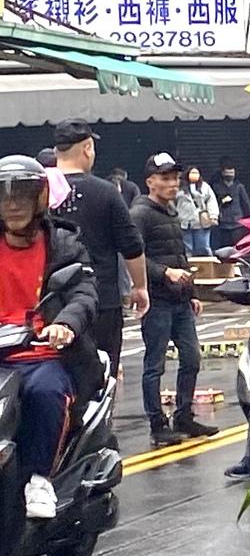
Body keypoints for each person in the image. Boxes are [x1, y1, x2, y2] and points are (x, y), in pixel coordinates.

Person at [0, 156, 101, 519]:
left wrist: (66, 324)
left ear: (39, 199)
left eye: (21, 195)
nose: (13, 204)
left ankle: (39, 478)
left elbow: (84, 292)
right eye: (5, 196)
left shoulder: (64, 244)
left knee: (45, 393)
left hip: (45, 354)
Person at [51, 119, 149, 378]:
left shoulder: (38, 192)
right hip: (101, 301)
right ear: (87, 148)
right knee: (102, 376)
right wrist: (140, 287)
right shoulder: (106, 192)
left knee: (54, 375)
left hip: (49, 305)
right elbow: (131, 246)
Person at [132, 153, 217, 445]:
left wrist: (192, 292)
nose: (173, 184)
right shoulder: (140, 214)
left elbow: (180, 255)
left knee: (191, 358)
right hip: (156, 301)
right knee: (154, 364)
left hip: (180, 301)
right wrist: (164, 272)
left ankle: (184, 416)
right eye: (166, 178)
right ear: (150, 182)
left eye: (175, 178)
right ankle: (157, 424)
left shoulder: (171, 211)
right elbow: (133, 257)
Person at [211, 158, 250, 252]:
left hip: (237, 224)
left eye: (232, 173)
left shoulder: (239, 187)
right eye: (228, 173)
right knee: (224, 251)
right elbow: (212, 204)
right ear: (222, 173)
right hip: (223, 225)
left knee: (238, 250)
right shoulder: (216, 187)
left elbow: (246, 204)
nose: (230, 175)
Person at [176, 166, 219, 257]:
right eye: (192, 173)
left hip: (201, 222)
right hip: (184, 222)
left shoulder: (205, 186)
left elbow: (211, 201)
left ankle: (205, 264)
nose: (194, 175)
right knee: (187, 248)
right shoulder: (179, 187)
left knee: (203, 247)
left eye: (196, 173)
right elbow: (172, 202)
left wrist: (213, 215)